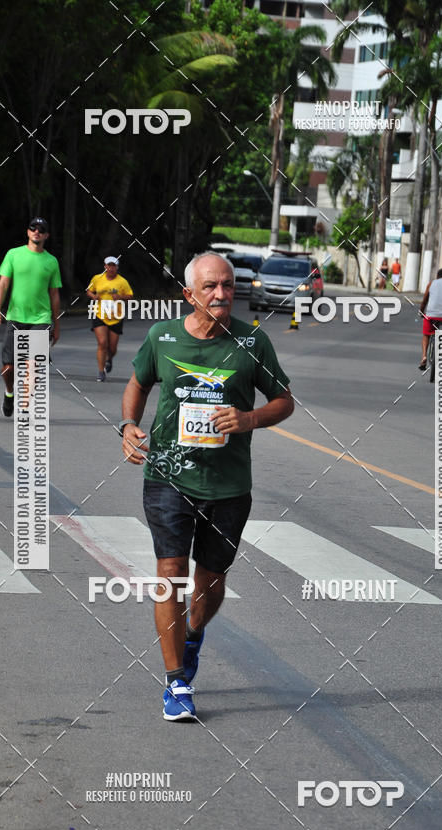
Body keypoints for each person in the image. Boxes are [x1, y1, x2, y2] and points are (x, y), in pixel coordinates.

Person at [120, 252, 294, 721]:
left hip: (228, 483)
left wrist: (249, 418)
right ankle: (176, 681)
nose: (221, 294)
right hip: (168, 476)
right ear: (188, 294)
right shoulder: (162, 337)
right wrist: (128, 425)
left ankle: (193, 633)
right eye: (211, 286)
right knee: (171, 570)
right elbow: (137, 383)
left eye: (228, 285)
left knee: (211, 581)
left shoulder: (252, 342)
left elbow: (284, 400)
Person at [0, 217, 61, 416]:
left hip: (41, 319)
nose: (37, 231)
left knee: (34, 365)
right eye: (33, 228)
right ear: (28, 232)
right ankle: (9, 392)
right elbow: (3, 283)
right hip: (15, 317)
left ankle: (23, 407)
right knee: (8, 367)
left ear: (46, 235)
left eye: (41, 229)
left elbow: (54, 294)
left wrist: (56, 324)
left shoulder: (51, 261)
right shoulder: (13, 254)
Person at [86, 256, 134, 381]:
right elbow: (89, 290)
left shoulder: (122, 281)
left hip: (116, 316)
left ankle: (109, 358)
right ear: (105, 266)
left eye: (114, 266)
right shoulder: (97, 278)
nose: (111, 268)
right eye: (109, 265)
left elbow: (130, 296)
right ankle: (101, 372)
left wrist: (120, 297)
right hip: (100, 314)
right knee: (102, 343)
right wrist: (94, 296)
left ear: (117, 267)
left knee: (112, 348)